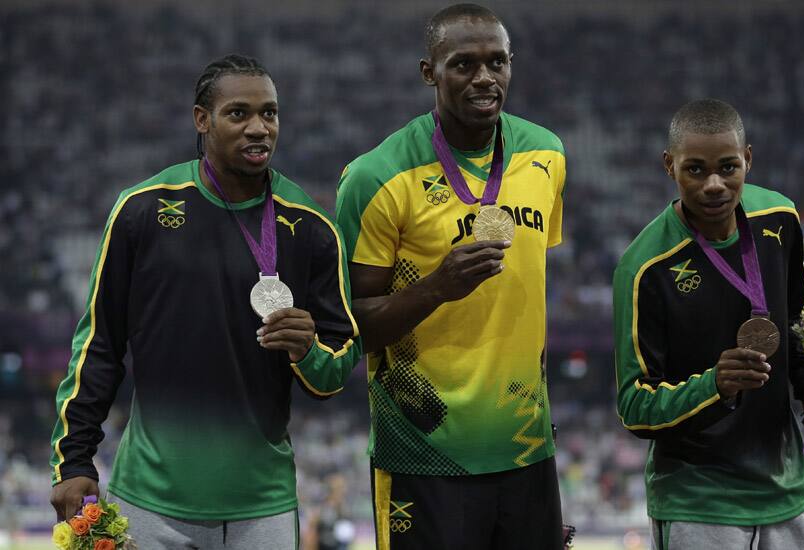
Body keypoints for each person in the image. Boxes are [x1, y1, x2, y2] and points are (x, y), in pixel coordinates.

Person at [49, 54, 361, 549]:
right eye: (239, 113)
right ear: (202, 120)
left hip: (263, 505)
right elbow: (98, 345)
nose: (259, 127)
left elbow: (337, 370)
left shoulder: (312, 230)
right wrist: (73, 459)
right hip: (149, 502)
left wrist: (309, 350)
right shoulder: (141, 211)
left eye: (270, 113)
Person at [335, 4, 566, 549]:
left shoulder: (548, 155)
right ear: (428, 72)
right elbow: (347, 327)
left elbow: (525, 297)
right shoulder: (376, 177)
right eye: (464, 64)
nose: (485, 78)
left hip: (526, 450)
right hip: (422, 456)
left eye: (498, 63)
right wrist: (436, 288)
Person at [612, 98, 804, 549]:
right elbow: (633, 407)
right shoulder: (644, 268)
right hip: (698, 502)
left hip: (790, 490)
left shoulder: (779, 218)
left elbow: (800, 322)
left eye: (728, 167)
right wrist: (715, 384)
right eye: (695, 170)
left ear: (748, 160)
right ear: (669, 166)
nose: (714, 184)